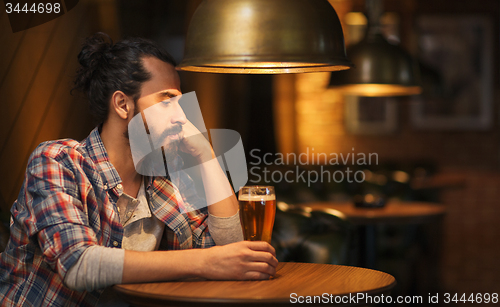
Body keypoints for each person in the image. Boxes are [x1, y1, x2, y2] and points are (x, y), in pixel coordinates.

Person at [0, 33, 278, 307]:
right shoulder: (59, 161)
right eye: (166, 100)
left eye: (182, 103)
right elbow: (78, 264)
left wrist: (206, 154)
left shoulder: (166, 177)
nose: (182, 117)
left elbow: (228, 250)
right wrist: (207, 263)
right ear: (123, 104)